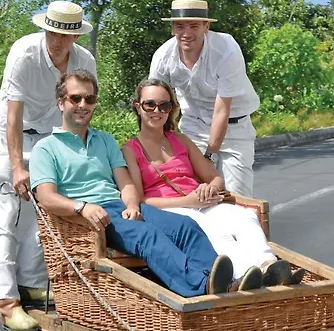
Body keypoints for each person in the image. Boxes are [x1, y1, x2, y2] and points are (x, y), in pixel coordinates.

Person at [29, 69, 267, 300]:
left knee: (185, 226)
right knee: (147, 235)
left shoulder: (104, 140)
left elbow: (125, 183)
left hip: (119, 207)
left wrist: (132, 205)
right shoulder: (46, 148)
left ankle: (221, 282)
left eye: (89, 99)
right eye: (75, 98)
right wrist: (82, 207)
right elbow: (46, 197)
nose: (83, 104)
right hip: (91, 216)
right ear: (61, 103)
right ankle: (201, 287)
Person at [122, 78, 305, 287]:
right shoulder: (131, 149)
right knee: (212, 229)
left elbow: (215, 178)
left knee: (244, 216)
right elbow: (141, 200)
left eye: (164, 105)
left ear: (171, 109)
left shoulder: (181, 140)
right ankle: (244, 275)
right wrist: (187, 202)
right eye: (150, 104)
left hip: (201, 202)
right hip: (170, 209)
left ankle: (269, 266)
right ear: (138, 107)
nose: (157, 110)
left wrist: (209, 188)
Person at [0, 1, 97, 331]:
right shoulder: (24, 53)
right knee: (7, 215)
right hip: (10, 135)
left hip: (50, 137)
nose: (57, 40)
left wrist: (80, 155)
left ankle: (30, 283)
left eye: (65, 34)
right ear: (45, 29)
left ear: (76, 35)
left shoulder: (85, 61)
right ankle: (7, 302)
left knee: (45, 210)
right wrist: (17, 166)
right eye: (52, 32)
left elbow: (80, 110)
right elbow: (13, 115)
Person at [149, 0, 258, 197]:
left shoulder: (227, 50)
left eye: (194, 26)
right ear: (172, 28)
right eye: (180, 26)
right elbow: (155, 104)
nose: (186, 33)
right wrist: (155, 148)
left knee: (237, 196)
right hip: (193, 125)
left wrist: (209, 156)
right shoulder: (162, 57)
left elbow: (222, 109)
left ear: (206, 26)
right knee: (192, 192)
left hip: (234, 127)